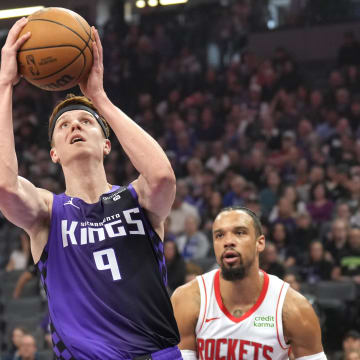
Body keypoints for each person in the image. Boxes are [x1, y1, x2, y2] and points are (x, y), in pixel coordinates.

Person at [0, 18, 181, 359]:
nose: (75, 126)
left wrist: (100, 99)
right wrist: (4, 85)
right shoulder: (47, 211)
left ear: (107, 144)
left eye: (86, 121)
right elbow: (5, 188)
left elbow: (163, 178)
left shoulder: (136, 198)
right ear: (54, 153)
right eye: (64, 125)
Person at [171, 206, 326, 359]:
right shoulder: (187, 299)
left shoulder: (294, 308)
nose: (228, 241)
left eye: (239, 233)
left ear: (260, 243)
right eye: (219, 235)